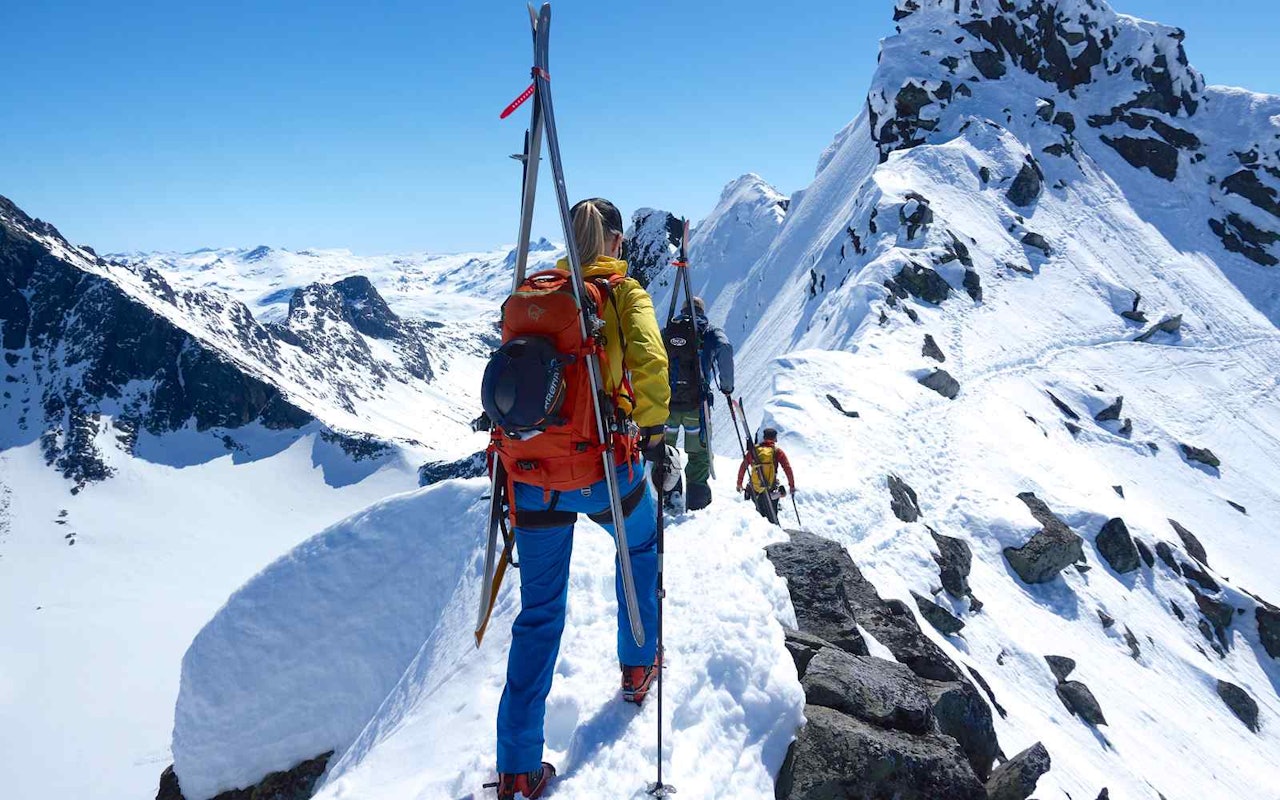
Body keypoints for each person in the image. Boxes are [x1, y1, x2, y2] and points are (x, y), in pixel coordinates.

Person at [492, 198, 680, 800]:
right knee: (642, 551)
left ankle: (518, 770)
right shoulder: (620, 293)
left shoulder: (535, 297)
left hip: (530, 475)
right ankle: (637, 665)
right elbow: (651, 362)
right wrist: (649, 430)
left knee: (539, 615)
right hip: (603, 469)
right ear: (617, 241)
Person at [663, 296, 734, 511]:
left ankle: (671, 496)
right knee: (699, 453)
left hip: (668, 405)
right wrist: (726, 386)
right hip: (697, 405)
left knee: (666, 450)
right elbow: (726, 348)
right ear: (701, 311)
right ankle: (697, 501)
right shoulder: (709, 331)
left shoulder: (669, 330)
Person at [736, 427, 796, 523]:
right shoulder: (777, 452)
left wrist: (739, 483)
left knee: (759, 516)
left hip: (755, 489)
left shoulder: (754, 451)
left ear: (764, 437)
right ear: (775, 439)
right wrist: (792, 486)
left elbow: (743, 467)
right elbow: (787, 468)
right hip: (771, 489)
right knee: (772, 516)